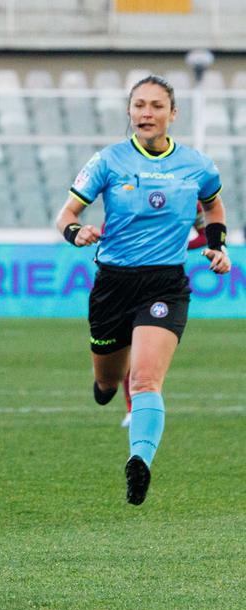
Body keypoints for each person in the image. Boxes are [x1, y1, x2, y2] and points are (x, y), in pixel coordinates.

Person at [55, 75, 230, 505]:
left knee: (147, 377)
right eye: (138, 106)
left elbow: (213, 205)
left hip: (165, 284)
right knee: (108, 383)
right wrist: (76, 232)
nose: (146, 114)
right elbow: (66, 214)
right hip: (113, 285)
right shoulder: (108, 161)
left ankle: (140, 461)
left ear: (173, 114)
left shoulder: (197, 165)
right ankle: (106, 386)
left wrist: (217, 245)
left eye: (155, 106)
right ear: (129, 111)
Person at [119, 201, 208, 428]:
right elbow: (111, 230)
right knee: (124, 350)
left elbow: (205, 235)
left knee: (145, 352)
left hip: (165, 283)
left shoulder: (191, 201)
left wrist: (178, 246)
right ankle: (128, 405)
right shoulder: (130, 194)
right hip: (127, 280)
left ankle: (136, 408)